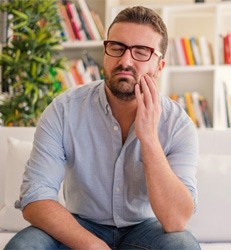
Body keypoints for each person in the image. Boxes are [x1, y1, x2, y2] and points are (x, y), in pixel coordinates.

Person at [5, 6, 200, 250]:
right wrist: (91, 245)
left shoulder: (178, 125)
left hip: (145, 229)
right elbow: (36, 197)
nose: (125, 61)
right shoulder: (65, 110)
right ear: (105, 53)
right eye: (117, 48)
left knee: (183, 245)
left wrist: (148, 137)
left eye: (141, 52)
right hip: (81, 224)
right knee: (23, 246)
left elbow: (176, 220)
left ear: (159, 67)